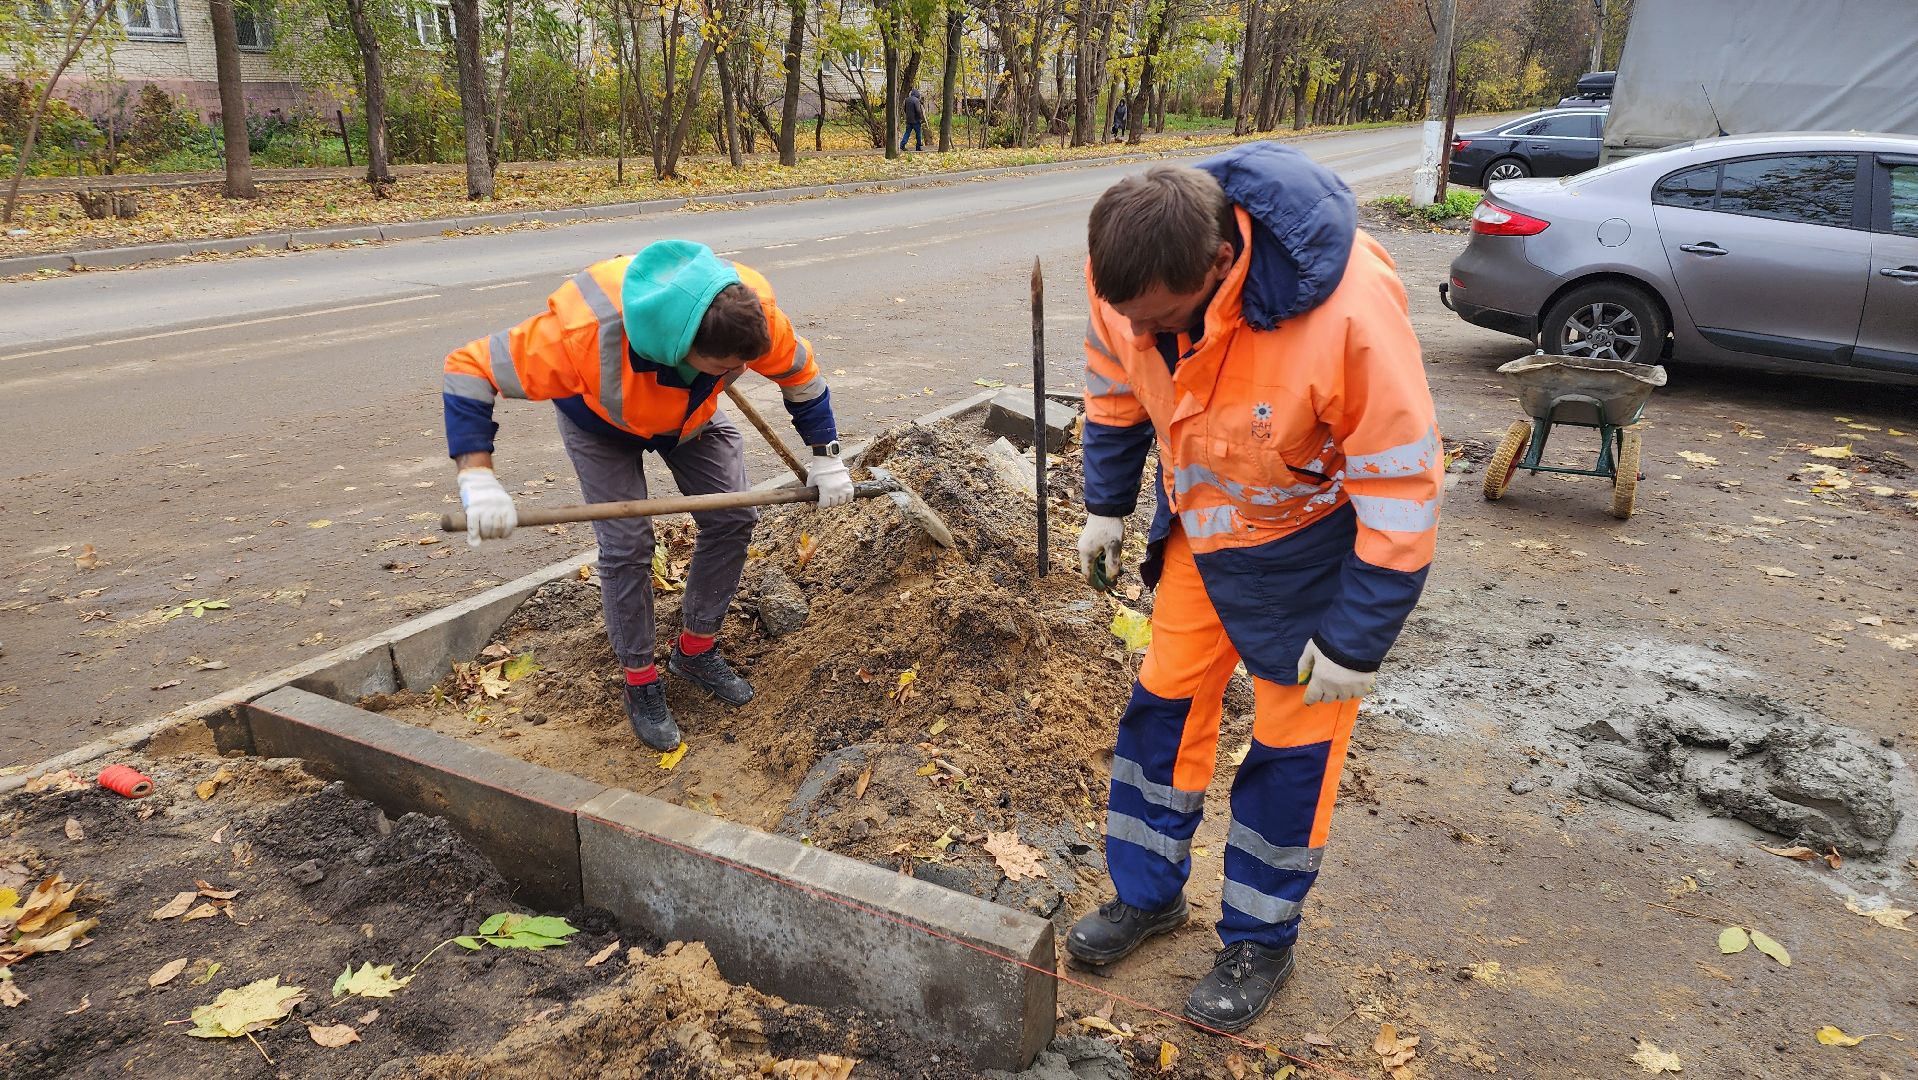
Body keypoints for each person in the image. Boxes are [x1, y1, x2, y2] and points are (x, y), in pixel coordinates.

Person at [1067, 144, 1441, 1032]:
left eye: (1164, 318)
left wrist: (1358, 636)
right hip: (1204, 528)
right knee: (1161, 708)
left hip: (1314, 551)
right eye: (1133, 317)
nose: (1145, 333)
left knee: (1291, 753)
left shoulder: (1347, 310)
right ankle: (1147, 892)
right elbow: (1116, 388)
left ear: (1220, 265)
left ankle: (1260, 941)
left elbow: (1402, 483)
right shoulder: (1121, 279)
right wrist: (1107, 506)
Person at [441, 240, 851, 752]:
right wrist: (477, 476)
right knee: (628, 546)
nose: (740, 371)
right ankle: (640, 680)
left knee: (734, 516)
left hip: (689, 420)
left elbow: (801, 378)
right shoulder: (579, 336)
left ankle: (695, 650)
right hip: (601, 426)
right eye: (723, 364)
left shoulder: (752, 312)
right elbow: (468, 367)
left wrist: (826, 454)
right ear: (673, 347)